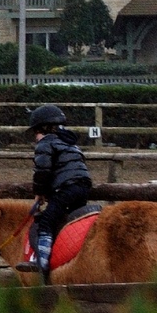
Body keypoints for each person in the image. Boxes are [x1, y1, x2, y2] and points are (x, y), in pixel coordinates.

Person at [18, 104, 92, 279]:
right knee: (67, 220)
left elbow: (42, 171)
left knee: (46, 222)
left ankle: (41, 263)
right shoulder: (70, 143)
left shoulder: (45, 144)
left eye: (35, 132)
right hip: (83, 187)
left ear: (43, 129)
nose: (35, 137)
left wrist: (39, 192)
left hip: (66, 188)